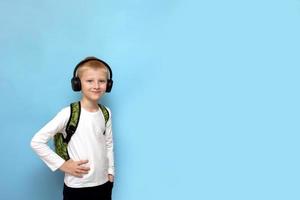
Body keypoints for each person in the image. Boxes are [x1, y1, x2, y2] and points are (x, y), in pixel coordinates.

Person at [31, 57, 115, 200]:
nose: (96, 85)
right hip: (78, 185)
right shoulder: (68, 113)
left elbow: (108, 143)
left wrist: (111, 171)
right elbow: (36, 142)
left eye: (101, 81)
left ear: (108, 84)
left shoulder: (106, 112)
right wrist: (62, 165)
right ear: (77, 84)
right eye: (89, 81)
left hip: (104, 183)